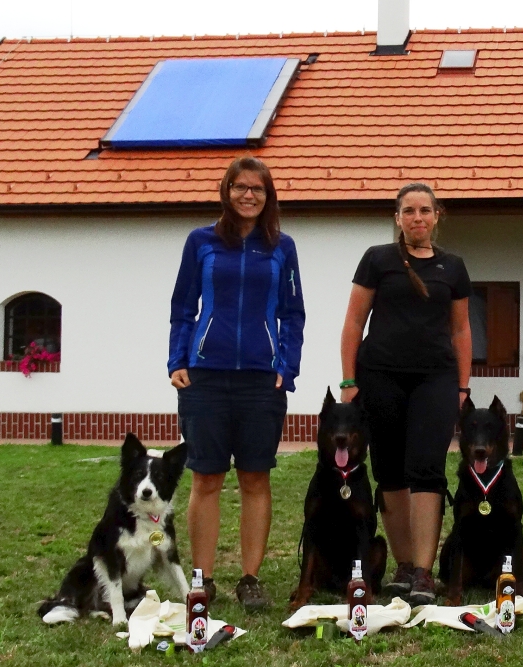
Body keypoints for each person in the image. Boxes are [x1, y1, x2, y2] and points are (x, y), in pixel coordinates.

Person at [168, 157, 305, 611]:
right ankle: (201, 578)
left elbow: (292, 313)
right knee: (205, 477)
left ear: (269, 197)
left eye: (258, 189)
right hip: (205, 376)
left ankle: (250, 578)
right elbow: (184, 305)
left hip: (261, 383)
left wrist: (288, 364)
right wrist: (177, 360)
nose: (249, 196)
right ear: (226, 191)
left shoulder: (281, 247)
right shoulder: (201, 242)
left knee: (254, 477)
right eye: (240, 187)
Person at [339, 182, 472, 605]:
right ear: (398, 218)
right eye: (409, 211)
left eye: (425, 211)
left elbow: (461, 329)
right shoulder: (377, 260)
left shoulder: (454, 266)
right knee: (390, 471)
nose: (418, 218)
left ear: (437, 216)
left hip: (435, 380)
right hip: (380, 378)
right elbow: (353, 323)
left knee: (427, 470)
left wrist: (463, 386)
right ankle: (400, 565)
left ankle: (423, 572)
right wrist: (348, 381)